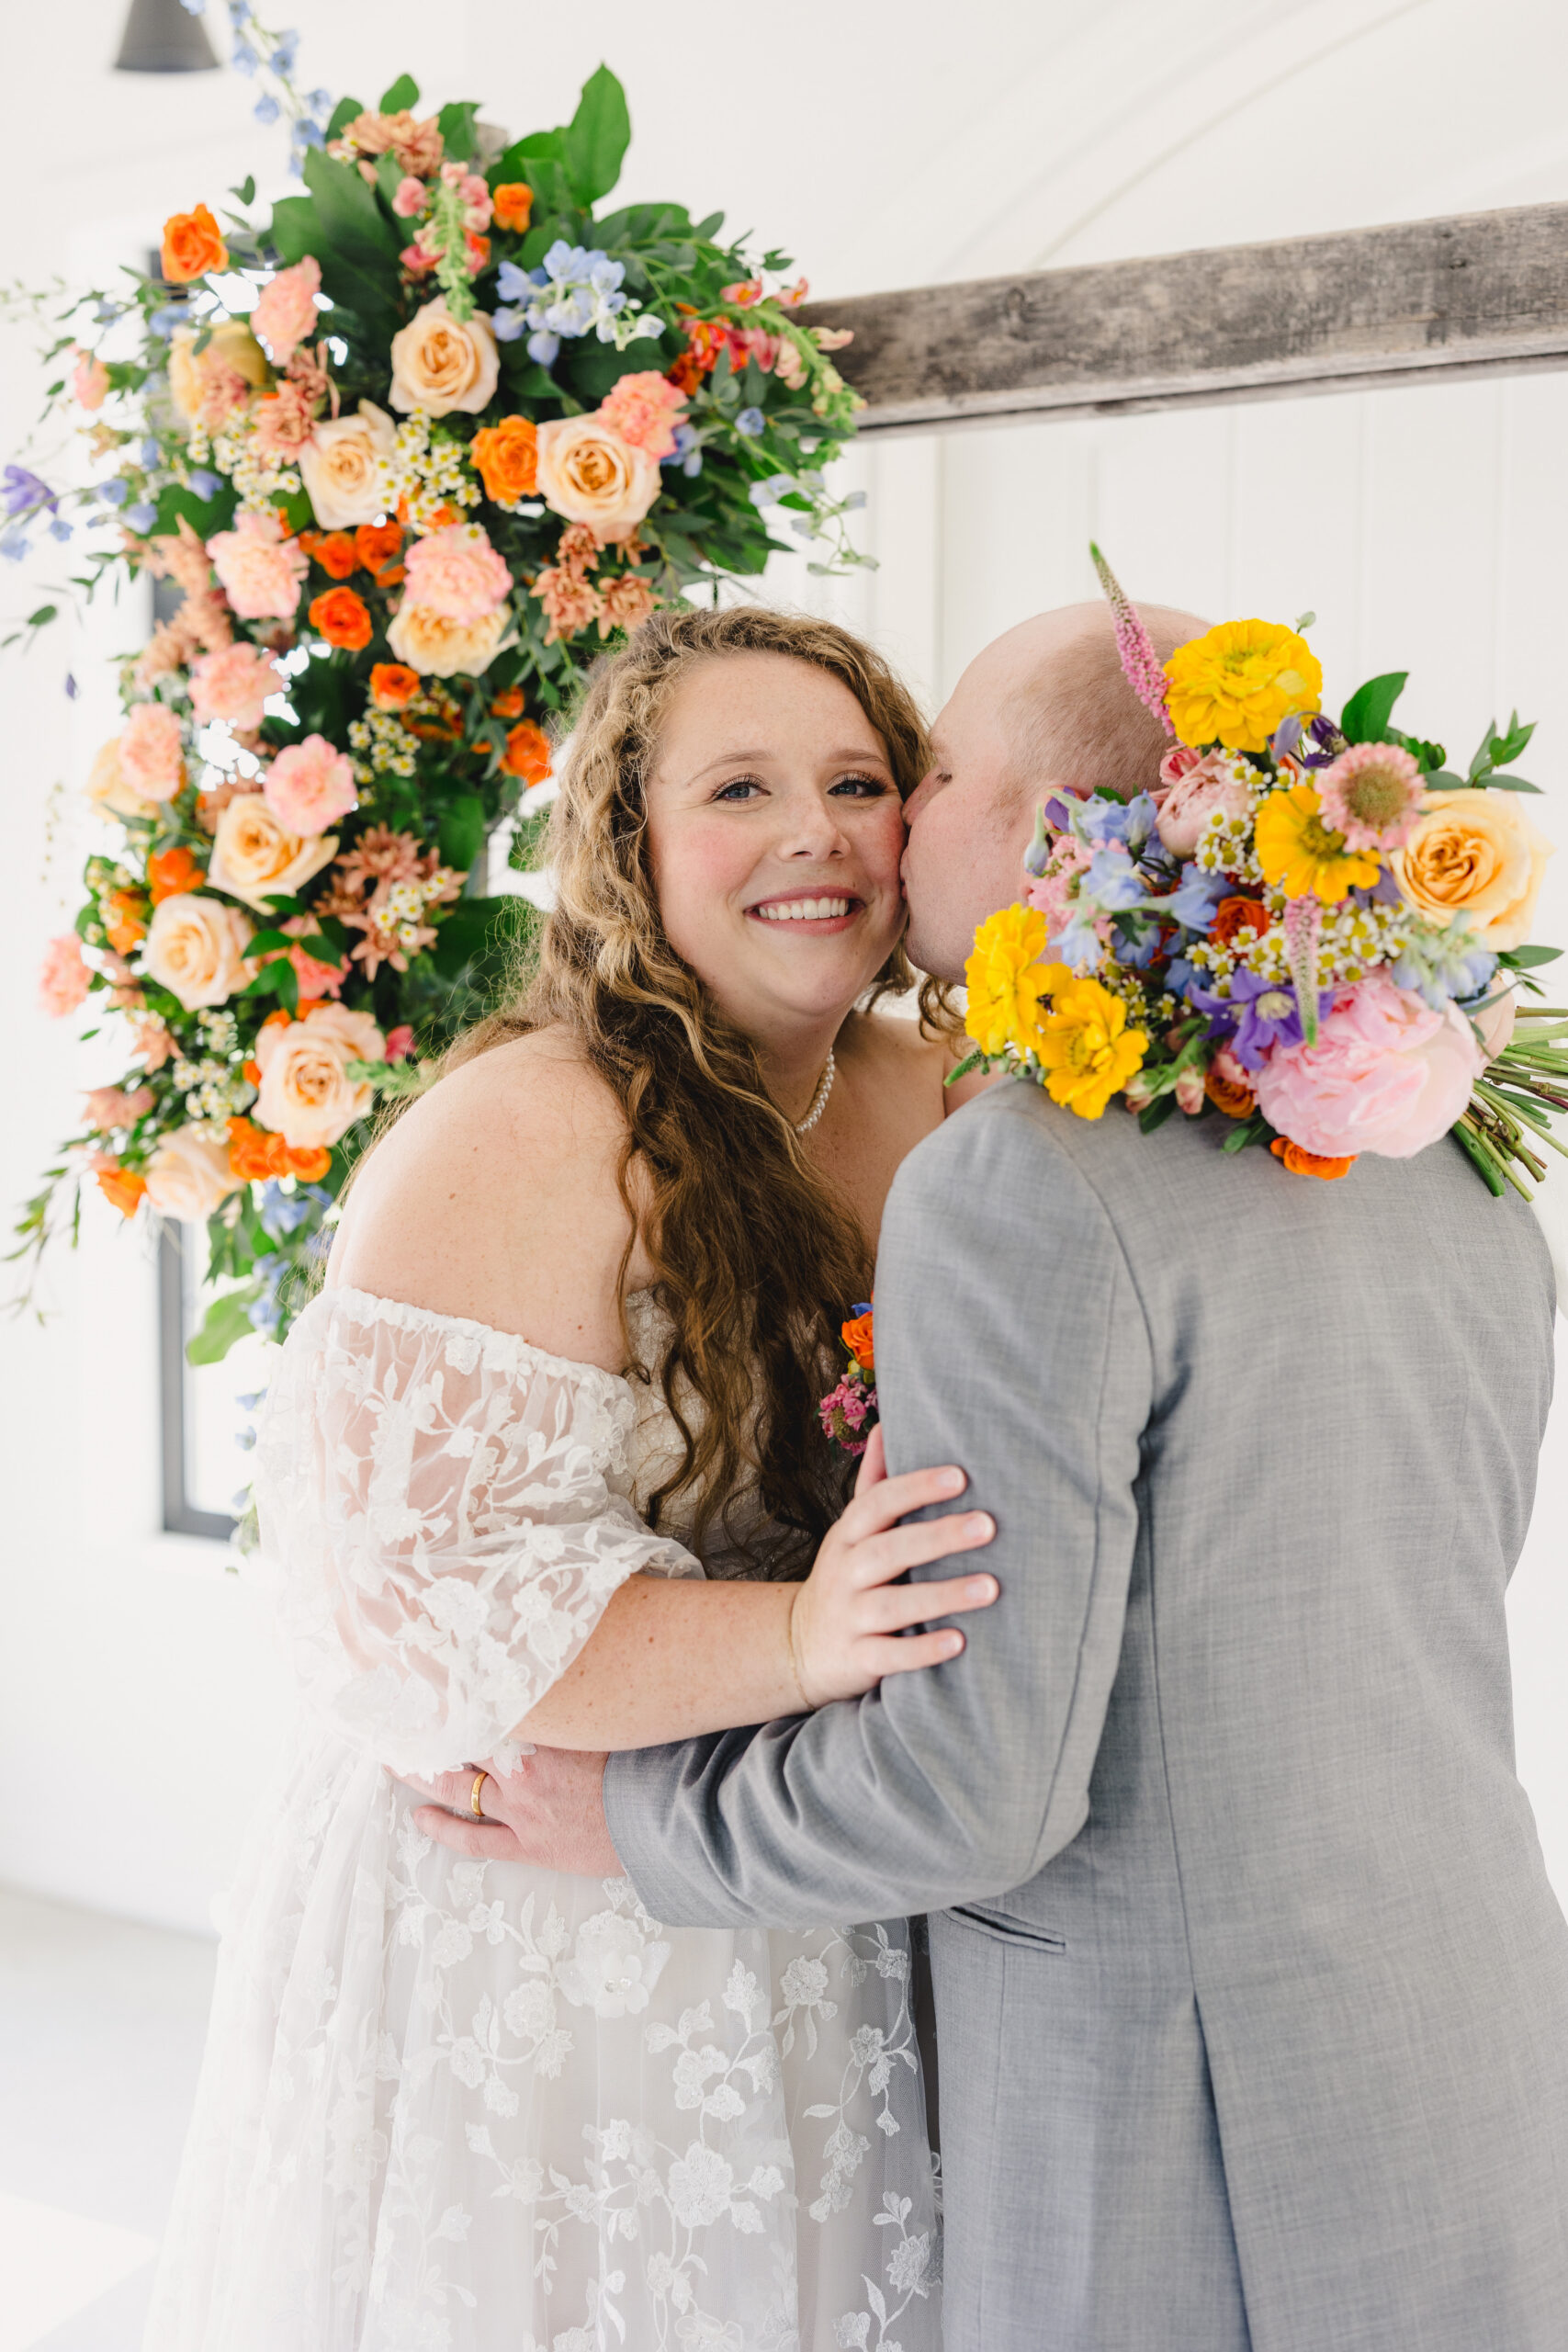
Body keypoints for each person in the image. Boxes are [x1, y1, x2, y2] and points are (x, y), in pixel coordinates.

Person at [426, 602, 1568, 2351]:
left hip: (1177, 2111)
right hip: (1465, 2023)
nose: (876, 831)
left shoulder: (1024, 1175)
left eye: (920, 771)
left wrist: (639, 1818)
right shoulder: (1447, 1135)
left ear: (1050, 833)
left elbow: (982, 1791)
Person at [144, 605, 1002, 2352]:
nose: (812, 833)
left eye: (855, 781)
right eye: (739, 789)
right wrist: (810, 1640)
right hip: (528, 1925)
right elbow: (423, 1622)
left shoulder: (944, 1099)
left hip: (800, 1878)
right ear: (632, 846)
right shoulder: (532, 1129)